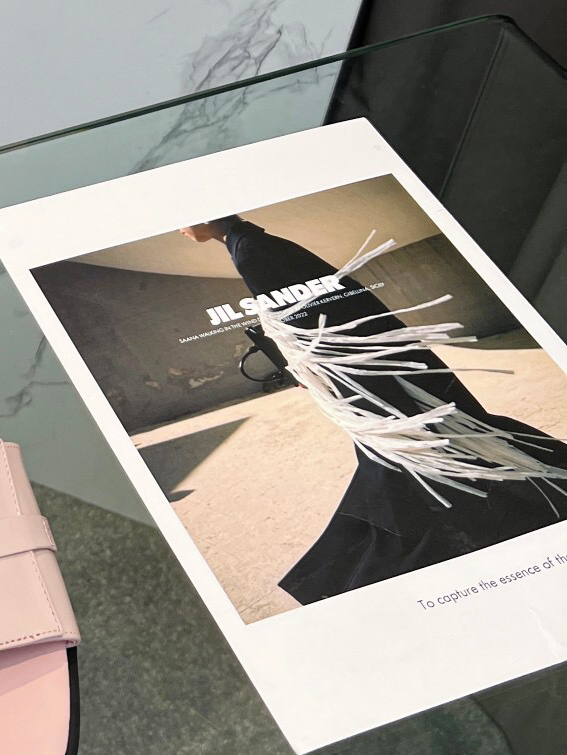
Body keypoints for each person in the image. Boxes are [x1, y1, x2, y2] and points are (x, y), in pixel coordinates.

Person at [181, 215, 567, 603]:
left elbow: (326, 322)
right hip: (380, 370)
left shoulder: (252, 252)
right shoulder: (254, 245)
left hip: (374, 378)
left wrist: (343, 385)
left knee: (416, 455)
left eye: (182, 221)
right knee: (433, 448)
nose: (181, 230)